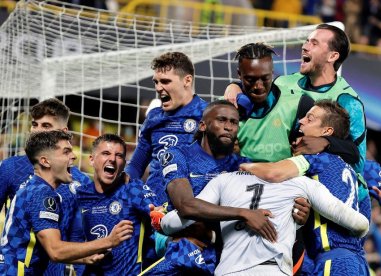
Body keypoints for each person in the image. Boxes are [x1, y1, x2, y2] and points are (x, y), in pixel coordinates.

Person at [143, 100, 277, 275]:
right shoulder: (178, 154)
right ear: (203, 126)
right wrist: (242, 213)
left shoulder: (244, 166)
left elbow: (265, 209)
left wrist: (299, 211)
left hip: (224, 255)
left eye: (234, 122)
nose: (228, 127)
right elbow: (186, 206)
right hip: (181, 248)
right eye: (222, 120)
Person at [240, 100, 370, 275]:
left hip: (334, 261)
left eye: (310, 119)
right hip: (357, 261)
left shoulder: (317, 160)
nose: (301, 121)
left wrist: (242, 166)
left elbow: (273, 173)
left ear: (326, 132)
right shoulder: (350, 173)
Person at [160, 171, 370, 275]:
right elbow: (360, 224)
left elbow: (170, 222)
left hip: (228, 271)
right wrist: (304, 222)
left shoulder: (224, 179)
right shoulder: (300, 182)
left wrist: (162, 219)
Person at [225, 24, 366, 173]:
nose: (305, 47)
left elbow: (357, 160)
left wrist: (325, 142)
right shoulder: (283, 82)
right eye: (307, 41)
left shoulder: (348, 101)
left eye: (314, 43)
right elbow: (257, 85)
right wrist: (236, 86)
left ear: (332, 56)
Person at [0, 130, 133, 275]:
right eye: (66, 152)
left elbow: (41, 248)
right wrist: (109, 241)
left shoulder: (32, 187)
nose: (74, 156)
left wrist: (83, 259)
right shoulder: (42, 194)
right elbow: (55, 251)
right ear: (45, 161)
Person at [0, 98, 90, 275]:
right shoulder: (10, 168)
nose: (37, 131)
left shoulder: (80, 182)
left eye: (46, 126)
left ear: (63, 132)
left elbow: (78, 236)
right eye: (35, 124)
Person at [126, 52, 208, 205]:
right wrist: (124, 179)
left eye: (165, 81)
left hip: (194, 206)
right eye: (155, 82)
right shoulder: (153, 118)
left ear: (187, 80)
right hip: (154, 206)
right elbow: (137, 165)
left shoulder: (208, 114)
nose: (158, 88)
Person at [74, 134, 159, 275]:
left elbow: (159, 214)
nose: (112, 159)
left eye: (119, 155)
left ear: (124, 164)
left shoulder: (133, 189)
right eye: (105, 153)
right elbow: (73, 241)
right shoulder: (80, 196)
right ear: (91, 159)